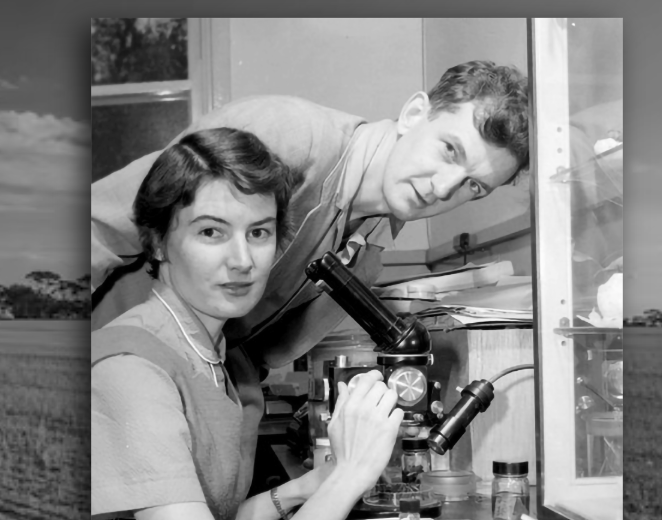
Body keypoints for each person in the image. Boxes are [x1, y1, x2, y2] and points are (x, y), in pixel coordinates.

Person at [90, 60, 531, 434]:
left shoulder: (368, 254)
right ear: (415, 114)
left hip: (168, 410)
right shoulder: (291, 136)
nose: (442, 187)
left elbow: (252, 356)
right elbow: (99, 225)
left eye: (473, 186)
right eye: (449, 150)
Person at [91, 127, 404, 520]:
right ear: (156, 243)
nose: (242, 261)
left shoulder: (224, 359)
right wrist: (350, 479)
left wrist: (311, 486)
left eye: (258, 232)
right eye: (211, 232)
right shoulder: (131, 370)